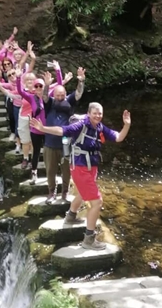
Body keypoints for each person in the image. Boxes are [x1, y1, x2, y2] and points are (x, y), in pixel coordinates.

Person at [30, 103, 131, 249]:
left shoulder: (100, 127)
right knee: (97, 202)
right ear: (88, 113)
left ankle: (71, 216)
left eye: (100, 113)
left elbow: (118, 137)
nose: (98, 116)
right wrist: (43, 128)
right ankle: (88, 240)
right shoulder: (81, 126)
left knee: (83, 194)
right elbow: (62, 130)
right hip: (80, 168)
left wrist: (126, 125)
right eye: (95, 113)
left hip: (91, 168)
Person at [42, 66, 86, 203]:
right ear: (54, 95)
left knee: (66, 170)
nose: (60, 97)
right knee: (50, 170)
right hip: (49, 143)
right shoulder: (49, 104)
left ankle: (65, 192)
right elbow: (44, 97)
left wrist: (81, 81)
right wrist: (47, 85)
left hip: (66, 142)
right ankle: (51, 192)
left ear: (65, 93)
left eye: (62, 95)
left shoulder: (69, 101)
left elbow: (78, 94)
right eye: (57, 95)